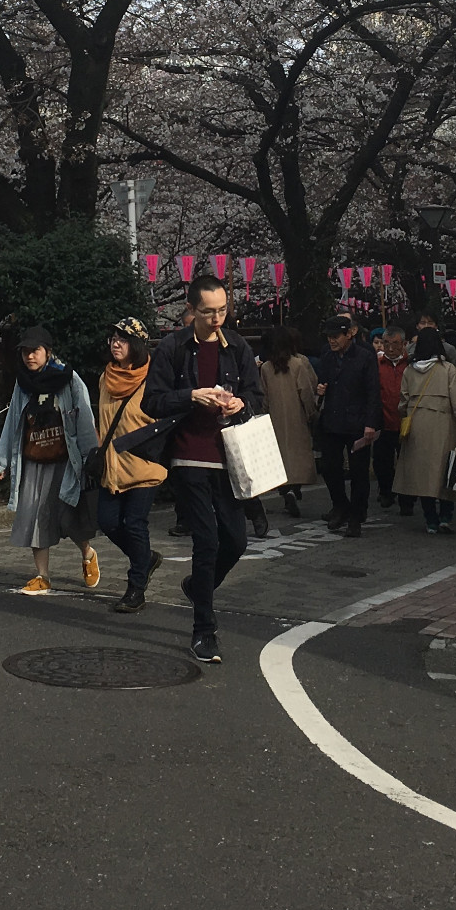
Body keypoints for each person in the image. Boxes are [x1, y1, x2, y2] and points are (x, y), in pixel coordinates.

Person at [144, 274, 264, 664]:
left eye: (223, 310)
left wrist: (238, 405)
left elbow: (255, 397)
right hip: (187, 454)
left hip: (228, 453)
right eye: (209, 312)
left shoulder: (239, 347)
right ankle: (203, 630)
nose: (217, 319)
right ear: (191, 310)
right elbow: (152, 402)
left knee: (236, 541)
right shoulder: (173, 347)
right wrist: (189, 396)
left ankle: (198, 586)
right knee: (207, 540)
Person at [0, 327, 99, 595]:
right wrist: (1, 462)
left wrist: (91, 457)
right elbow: (13, 420)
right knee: (34, 515)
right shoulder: (22, 383)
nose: (30, 356)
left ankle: (87, 554)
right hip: (33, 458)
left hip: (66, 461)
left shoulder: (69, 379)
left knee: (69, 515)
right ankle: (42, 576)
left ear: (48, 352)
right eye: (26, 351)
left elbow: (84, 418)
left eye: (35, 351)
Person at [95, 317, 163, 613]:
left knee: (135, 524)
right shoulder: (106, 378)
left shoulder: (154, 380)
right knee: (107, 521)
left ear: (136, 345)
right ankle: (145, 559)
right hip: (112, 466)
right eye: (113, 338)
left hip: (144, 465)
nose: (115, 343)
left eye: (123, 339)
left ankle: (136, 587)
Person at [395, 327, 456, 534]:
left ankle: (430, 520)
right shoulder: (448, 369)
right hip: (444, 423)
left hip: (417, 425)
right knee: (447, 470)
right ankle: (446, 516)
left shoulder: (409, 370)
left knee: (423, 475)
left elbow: (403, 401)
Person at [313, 314, 381, 538]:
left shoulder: (364, 356)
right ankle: (340, 505)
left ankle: (356, 515)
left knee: (359, 472)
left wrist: (371, 423)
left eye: (336, 337)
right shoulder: (327, 356)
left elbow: (373, 391)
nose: (332, 341)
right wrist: (320, 391)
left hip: (357, 422)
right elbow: (322, 381)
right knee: (330, 467)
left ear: (348, 334)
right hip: (332, 419)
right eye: (329, 337)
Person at [256, 324, 318, 518]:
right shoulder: (298, 364)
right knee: (297, 457)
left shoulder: (266, 367)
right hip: (297, 416)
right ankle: (294, 489)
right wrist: (311, 413)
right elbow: (307, 391)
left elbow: (264, 396)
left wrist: (262, 416)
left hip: (275, 418)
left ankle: (286, 492)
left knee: (279, 459)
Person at [374, 324, 411, 513]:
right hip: (384, 420)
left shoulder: (411, 364)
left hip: (405, 421)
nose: (390, 348)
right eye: (386, 343)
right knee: (383, 461)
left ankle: (407, 499)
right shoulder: (377, 365)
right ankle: (386, 492)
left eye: (395, 344)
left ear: (403, 344)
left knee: (407, 462)